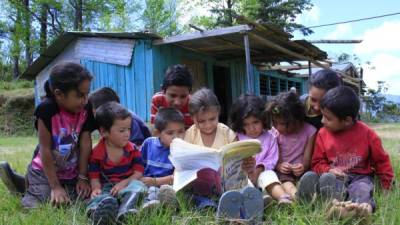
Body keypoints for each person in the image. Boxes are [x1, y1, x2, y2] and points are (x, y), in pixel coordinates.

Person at [305, 86, 394, 219]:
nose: (322, 121)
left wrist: (387, 187)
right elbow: (317, 162)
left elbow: (382, 162)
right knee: (327, 181)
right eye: (323, 116)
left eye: (328, 118)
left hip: (360, 177)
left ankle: (364, 210)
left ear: (347, 121)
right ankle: (335, 207)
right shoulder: (322, 134)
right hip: (335, 177)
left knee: (362, 189)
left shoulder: (368, 134)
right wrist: (328, 169)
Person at [19, 62, 95, 209]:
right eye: (79, 95)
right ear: (59, 94)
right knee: (43, 202)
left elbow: (86, 143)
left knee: (82, 198)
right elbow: (45, 149)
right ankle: (27, 186)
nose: (85, 100)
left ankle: (26, 184)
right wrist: (55, 186)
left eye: (87, 94)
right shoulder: (46, 110)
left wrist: (82, 177)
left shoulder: (86, 109)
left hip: (71, 173)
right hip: (44, 173)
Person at [184, 88, 263, 222]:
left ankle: (248, 211)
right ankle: (218, 209)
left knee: (244, 190)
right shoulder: (190, 135)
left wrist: (248, 165)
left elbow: (239, 163)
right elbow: (184, 163)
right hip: (202, 189)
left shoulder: (227, 133)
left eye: (212, 119)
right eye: (201, 121)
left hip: (229, 186)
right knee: (198, 200)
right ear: (192, 118)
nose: (208, 125)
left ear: (219, 112)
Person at [86, 102, 145, 224]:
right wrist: (96, 189)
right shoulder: (97, 154)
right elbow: (94, 177)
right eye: (122, 130)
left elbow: (138, 172)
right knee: (99, 197)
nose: (127, 134)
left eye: (129, 129)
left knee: (138, 186)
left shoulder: (133, 149)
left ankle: (125, 210)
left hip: (128, 184)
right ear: (104, 132)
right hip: (107, 188)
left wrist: (124, 183)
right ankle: (97, 212)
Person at [229, 94, 292, 205]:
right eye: (245, 124)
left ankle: (283, 198)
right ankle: (257, 202)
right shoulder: (236, 137)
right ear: (239, 124)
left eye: (255, 122)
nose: (252, 128)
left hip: (262, 172)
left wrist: (259, 169)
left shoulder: (270, 137)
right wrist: (245, 170)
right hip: (244, 175)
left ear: (263, 119)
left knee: (269, 176)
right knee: (243, 184)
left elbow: (272, 159)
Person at [267, 91, 317, 201]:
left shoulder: (310, 131)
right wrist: (279, 165)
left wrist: (302, 166)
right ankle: (299, 198)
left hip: (302, 173)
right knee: (286, 183)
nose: (279, 127)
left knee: (306, 179)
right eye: (275, 122)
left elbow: (307, 159)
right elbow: (271, 156)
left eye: (285, 124)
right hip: (283, 174)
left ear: (297, 119)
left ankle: (309, 196)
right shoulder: (274, 133)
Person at [139, 107, 186, 209]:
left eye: (180, 131)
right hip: (146, 183)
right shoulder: (148, 144)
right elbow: (138, 165)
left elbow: (176, 178)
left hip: (166, 186)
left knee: (166, 191)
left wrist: (154, 181)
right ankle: (150, 205)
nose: (176, 137)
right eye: (170, 133)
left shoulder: (182, 150)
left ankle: (157, 205)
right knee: (138, 189)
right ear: (157, 133)